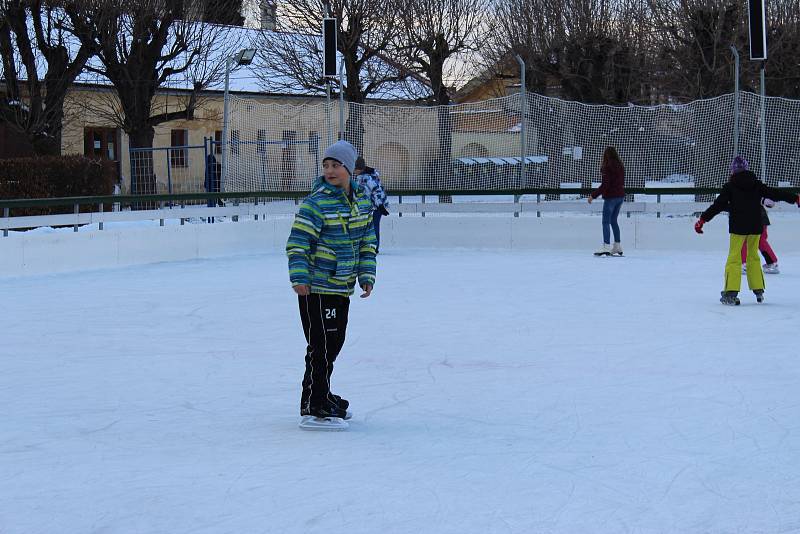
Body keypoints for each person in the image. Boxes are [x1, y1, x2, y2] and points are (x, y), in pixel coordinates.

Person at [286, 140, 378, 430]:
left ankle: (318, 395)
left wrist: (367, 274)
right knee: (321, 345)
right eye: (326, 165)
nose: (330, 170)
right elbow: (298, 242)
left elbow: (367, 242)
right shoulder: (316, 202)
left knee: (332, 344)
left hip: (342, 286)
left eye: (336, 165)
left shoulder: (362, 201)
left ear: (350, 169)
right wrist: (299, 277)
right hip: (317, 287)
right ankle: (315, 404)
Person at [695, 156, 799, 305]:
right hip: (756, 226)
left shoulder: (730, 186)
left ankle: (731, 292)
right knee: (753, 257)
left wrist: (702, 220)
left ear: (733, 170)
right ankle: (758, 289)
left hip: (738, 227)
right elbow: (774, 193)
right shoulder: (756, 184)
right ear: (747, 169)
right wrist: (795, 198)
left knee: (734, 258)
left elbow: (718, 205)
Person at [588, 146, 626, 256]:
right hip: (620, 196)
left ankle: (606, 246)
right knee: (614, 221)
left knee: (605, 222)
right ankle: (617, 246)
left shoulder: (607, 167)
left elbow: (605, 185)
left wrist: (593, 196)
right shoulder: (620, 166)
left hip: (611, 198)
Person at [354, 157, 389, 252]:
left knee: (373, 226)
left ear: (359, 169)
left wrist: (380, 205)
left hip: (376, 206)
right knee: (370, 226)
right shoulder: (367, 176)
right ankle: (369, 245)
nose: (354, 171)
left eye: (354, 169)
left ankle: (374, 247)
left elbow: (376, 191)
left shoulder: (367, 178)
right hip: (373, 206)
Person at [741, 200, 780, 274]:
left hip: (753, 216)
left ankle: (744, 264)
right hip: (752, 216)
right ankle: (771, 263)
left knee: (744, 239)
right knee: (758, 240)